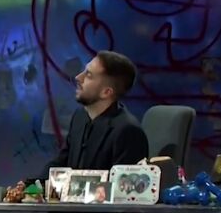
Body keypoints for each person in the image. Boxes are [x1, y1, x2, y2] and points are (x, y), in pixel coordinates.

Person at [27, 50, 149, 183]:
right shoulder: (80, 117)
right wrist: (32, 187)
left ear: (106, 92)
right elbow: (61, 162)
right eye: (84, 71)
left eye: (89, 75)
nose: (78, 77)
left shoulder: (128, 132)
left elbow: (122, 190)